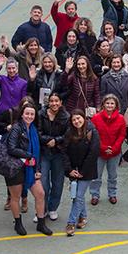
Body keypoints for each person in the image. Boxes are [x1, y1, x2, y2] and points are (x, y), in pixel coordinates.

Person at [5, 104, 52, 236]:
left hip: (31, 167)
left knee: (40, 194)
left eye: (32, 114)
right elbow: (11, 148)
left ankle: (41, 223)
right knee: (16, 197)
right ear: (21, 114)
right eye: (27, 113)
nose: (29, 116)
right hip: (15, 167)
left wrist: (37, 168)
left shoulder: (33, 129)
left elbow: (37, 152)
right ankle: (18, 223)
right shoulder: (16, 128)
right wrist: (28, 156)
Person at [63, 109, 100, 236]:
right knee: (78, 195)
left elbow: (93, 153)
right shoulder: (69, 133)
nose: (76, 121)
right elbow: (65, 152)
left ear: (84, 118)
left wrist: (82, 172)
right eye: (73, 120)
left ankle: (71, 222)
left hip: (87, 171)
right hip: (74, 170)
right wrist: (69, 170)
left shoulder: (92, 132)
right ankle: (83, 216)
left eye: (78, 118)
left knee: (77, 196)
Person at [38, 93, 70, 221]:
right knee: (43, 183)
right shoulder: (41, 114)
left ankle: (52, 208)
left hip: (59, 153)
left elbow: (67, 135)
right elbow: (39, 132)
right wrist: (48, 141)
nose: (54, 103)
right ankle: (43, 209)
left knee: (57, 183)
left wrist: (56, 141)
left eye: (56, 101)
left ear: (61, 102)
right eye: (51, 101)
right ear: (48, 102)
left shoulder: (66, 116)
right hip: (44, 153)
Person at [91, 95, 126, 206]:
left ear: (116, 105)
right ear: (103, 104)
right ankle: (95, 195)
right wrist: (104, 148)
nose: (109, 105)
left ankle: (112, 194)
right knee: (96, 176)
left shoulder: (121, 119)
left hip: (114, 153)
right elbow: (93, 136)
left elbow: (122, 135)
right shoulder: (96, 118)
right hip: (99, 152)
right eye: (107, 103)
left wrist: (115, 148)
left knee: (113, 175)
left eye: (112, 103)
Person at [0, 55, 28, 119]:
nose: (11, 70)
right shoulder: (2, 79)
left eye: (13, 68)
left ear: (17, 69)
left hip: (15, 112)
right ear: (6, 69)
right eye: (9, 68)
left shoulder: (23, 83)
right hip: (1, 111)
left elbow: (23, 99)